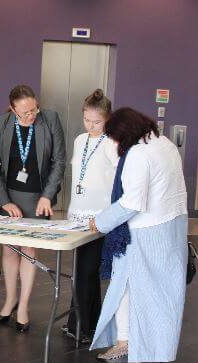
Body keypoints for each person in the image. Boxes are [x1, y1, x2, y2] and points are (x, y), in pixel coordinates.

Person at [89, 107, 188, 363]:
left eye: (116, 138)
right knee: (162, 294)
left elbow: (132, 202)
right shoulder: (163, 143)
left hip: (144, 232)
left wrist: (100, 222)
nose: (115, 144)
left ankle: (124, 342)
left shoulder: (138, 153)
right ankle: (155, 349)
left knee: (124, 286)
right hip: (172, 227)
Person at [0, 85, 65, 333]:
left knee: (28, 249)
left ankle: (24, 307)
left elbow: (59, 161)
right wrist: (3, 201)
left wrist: (47, 196)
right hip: (9, 196)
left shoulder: (50, 119)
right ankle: (10, 300)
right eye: (24, 113)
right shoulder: (2, 122)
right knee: (9, 250)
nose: (30, 116)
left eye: (33, 110)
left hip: (37, 196)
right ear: (12, 109)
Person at [62, 89, 118, 344]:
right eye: (87, 120)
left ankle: (85, 325)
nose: (92, 126)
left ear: (107, 119)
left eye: (97, 122)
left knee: (88, 270)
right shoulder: (79, 140)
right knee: (79, 269)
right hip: (77, 212)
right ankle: (79, 322)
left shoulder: (112, 143)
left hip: (99, 215)